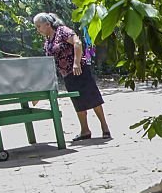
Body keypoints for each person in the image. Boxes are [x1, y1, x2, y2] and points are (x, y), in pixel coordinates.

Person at [33, 12, 110, 141]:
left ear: (47, 24)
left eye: (39, 26)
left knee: (93, 97)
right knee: (78, 101)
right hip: (67, 75)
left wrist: (76, 63)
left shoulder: (62, 31)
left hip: (79, 69)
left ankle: (105, 127)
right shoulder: (48, 40)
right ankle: (85, 130)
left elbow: (77, 43)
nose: (38, 29)